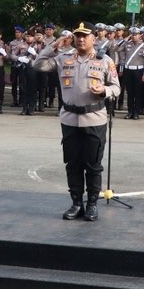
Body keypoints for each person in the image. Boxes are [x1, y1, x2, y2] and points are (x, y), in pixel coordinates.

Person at [33, 22, 120, 222]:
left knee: (93, 165)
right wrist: (55, 45)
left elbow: (116, 87)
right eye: (77, 36)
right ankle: (76, 203)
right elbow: (38, 64)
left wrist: (105, 91)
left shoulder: (104, 61)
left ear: (93, 39)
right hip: (70, 119)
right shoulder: (63, 59)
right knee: (72, 164)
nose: (80, 39)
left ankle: (91, 204)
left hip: (94, 119)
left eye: (85, 36)